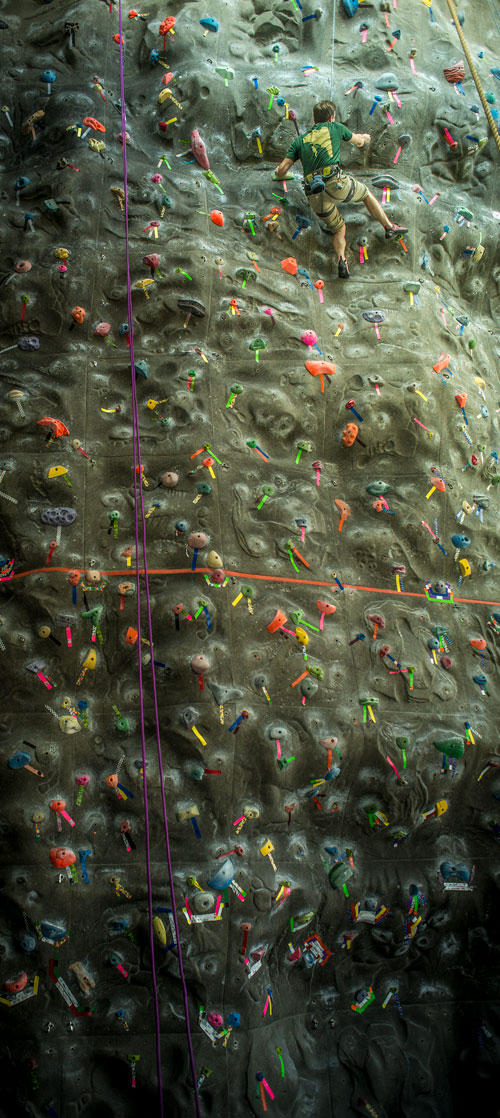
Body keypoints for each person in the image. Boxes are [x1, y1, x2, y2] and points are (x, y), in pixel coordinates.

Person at [273, 99, 408, 279]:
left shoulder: (300, 141)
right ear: (331, 117)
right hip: (336, 183)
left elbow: (282, 170)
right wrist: (366, 138)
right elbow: (359, 141)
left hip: (315, 196)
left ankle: (341, 259)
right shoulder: (335, 127)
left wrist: (279, 172)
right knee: (366, 194)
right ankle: (389, 227)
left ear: (315, 119)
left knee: (339, 228)